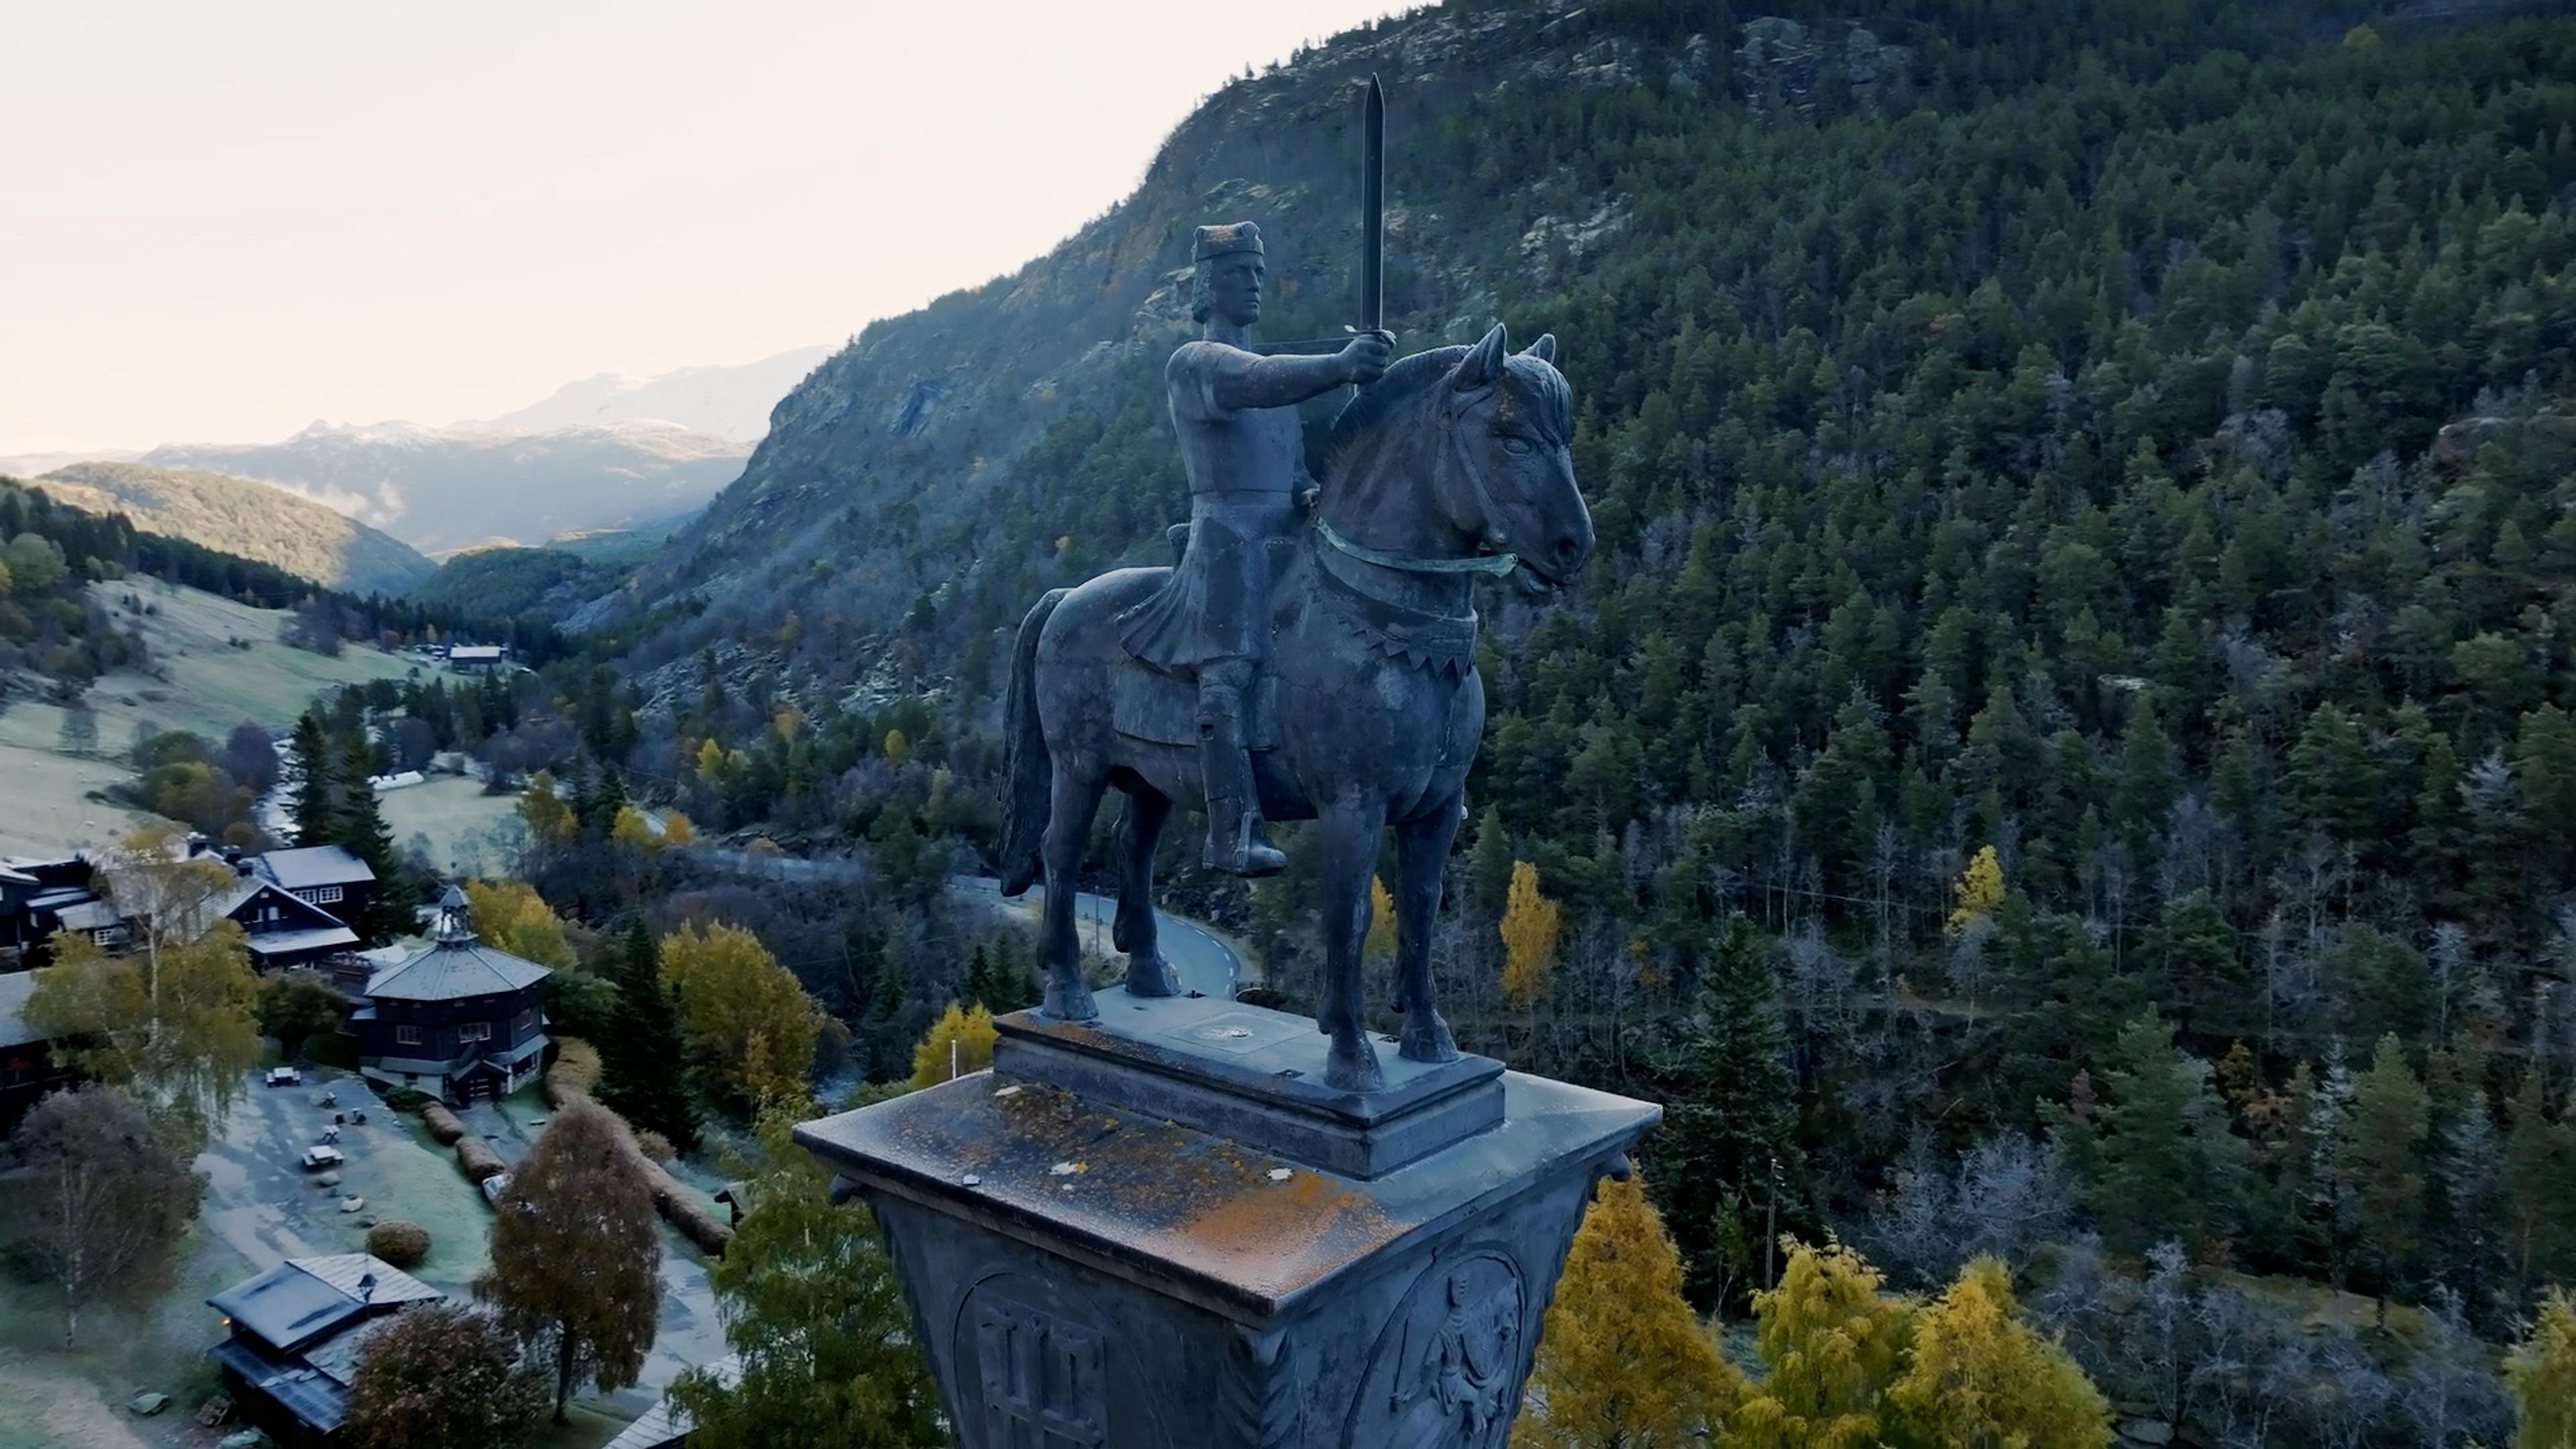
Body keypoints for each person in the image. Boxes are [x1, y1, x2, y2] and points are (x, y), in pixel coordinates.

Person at [1118, 221, 1391, 874]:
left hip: (1286, 536)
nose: (1256, 285)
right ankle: (1230, 828)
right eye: (1242, 274)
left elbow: (1292, 471)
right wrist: (1340, 365)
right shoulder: (1197, 365)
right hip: (1227, 541)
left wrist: (1313, 496)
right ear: (1209, 287)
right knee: (1228, 674)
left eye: (1260, 274)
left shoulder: (1274, 387)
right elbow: (1256, 379)